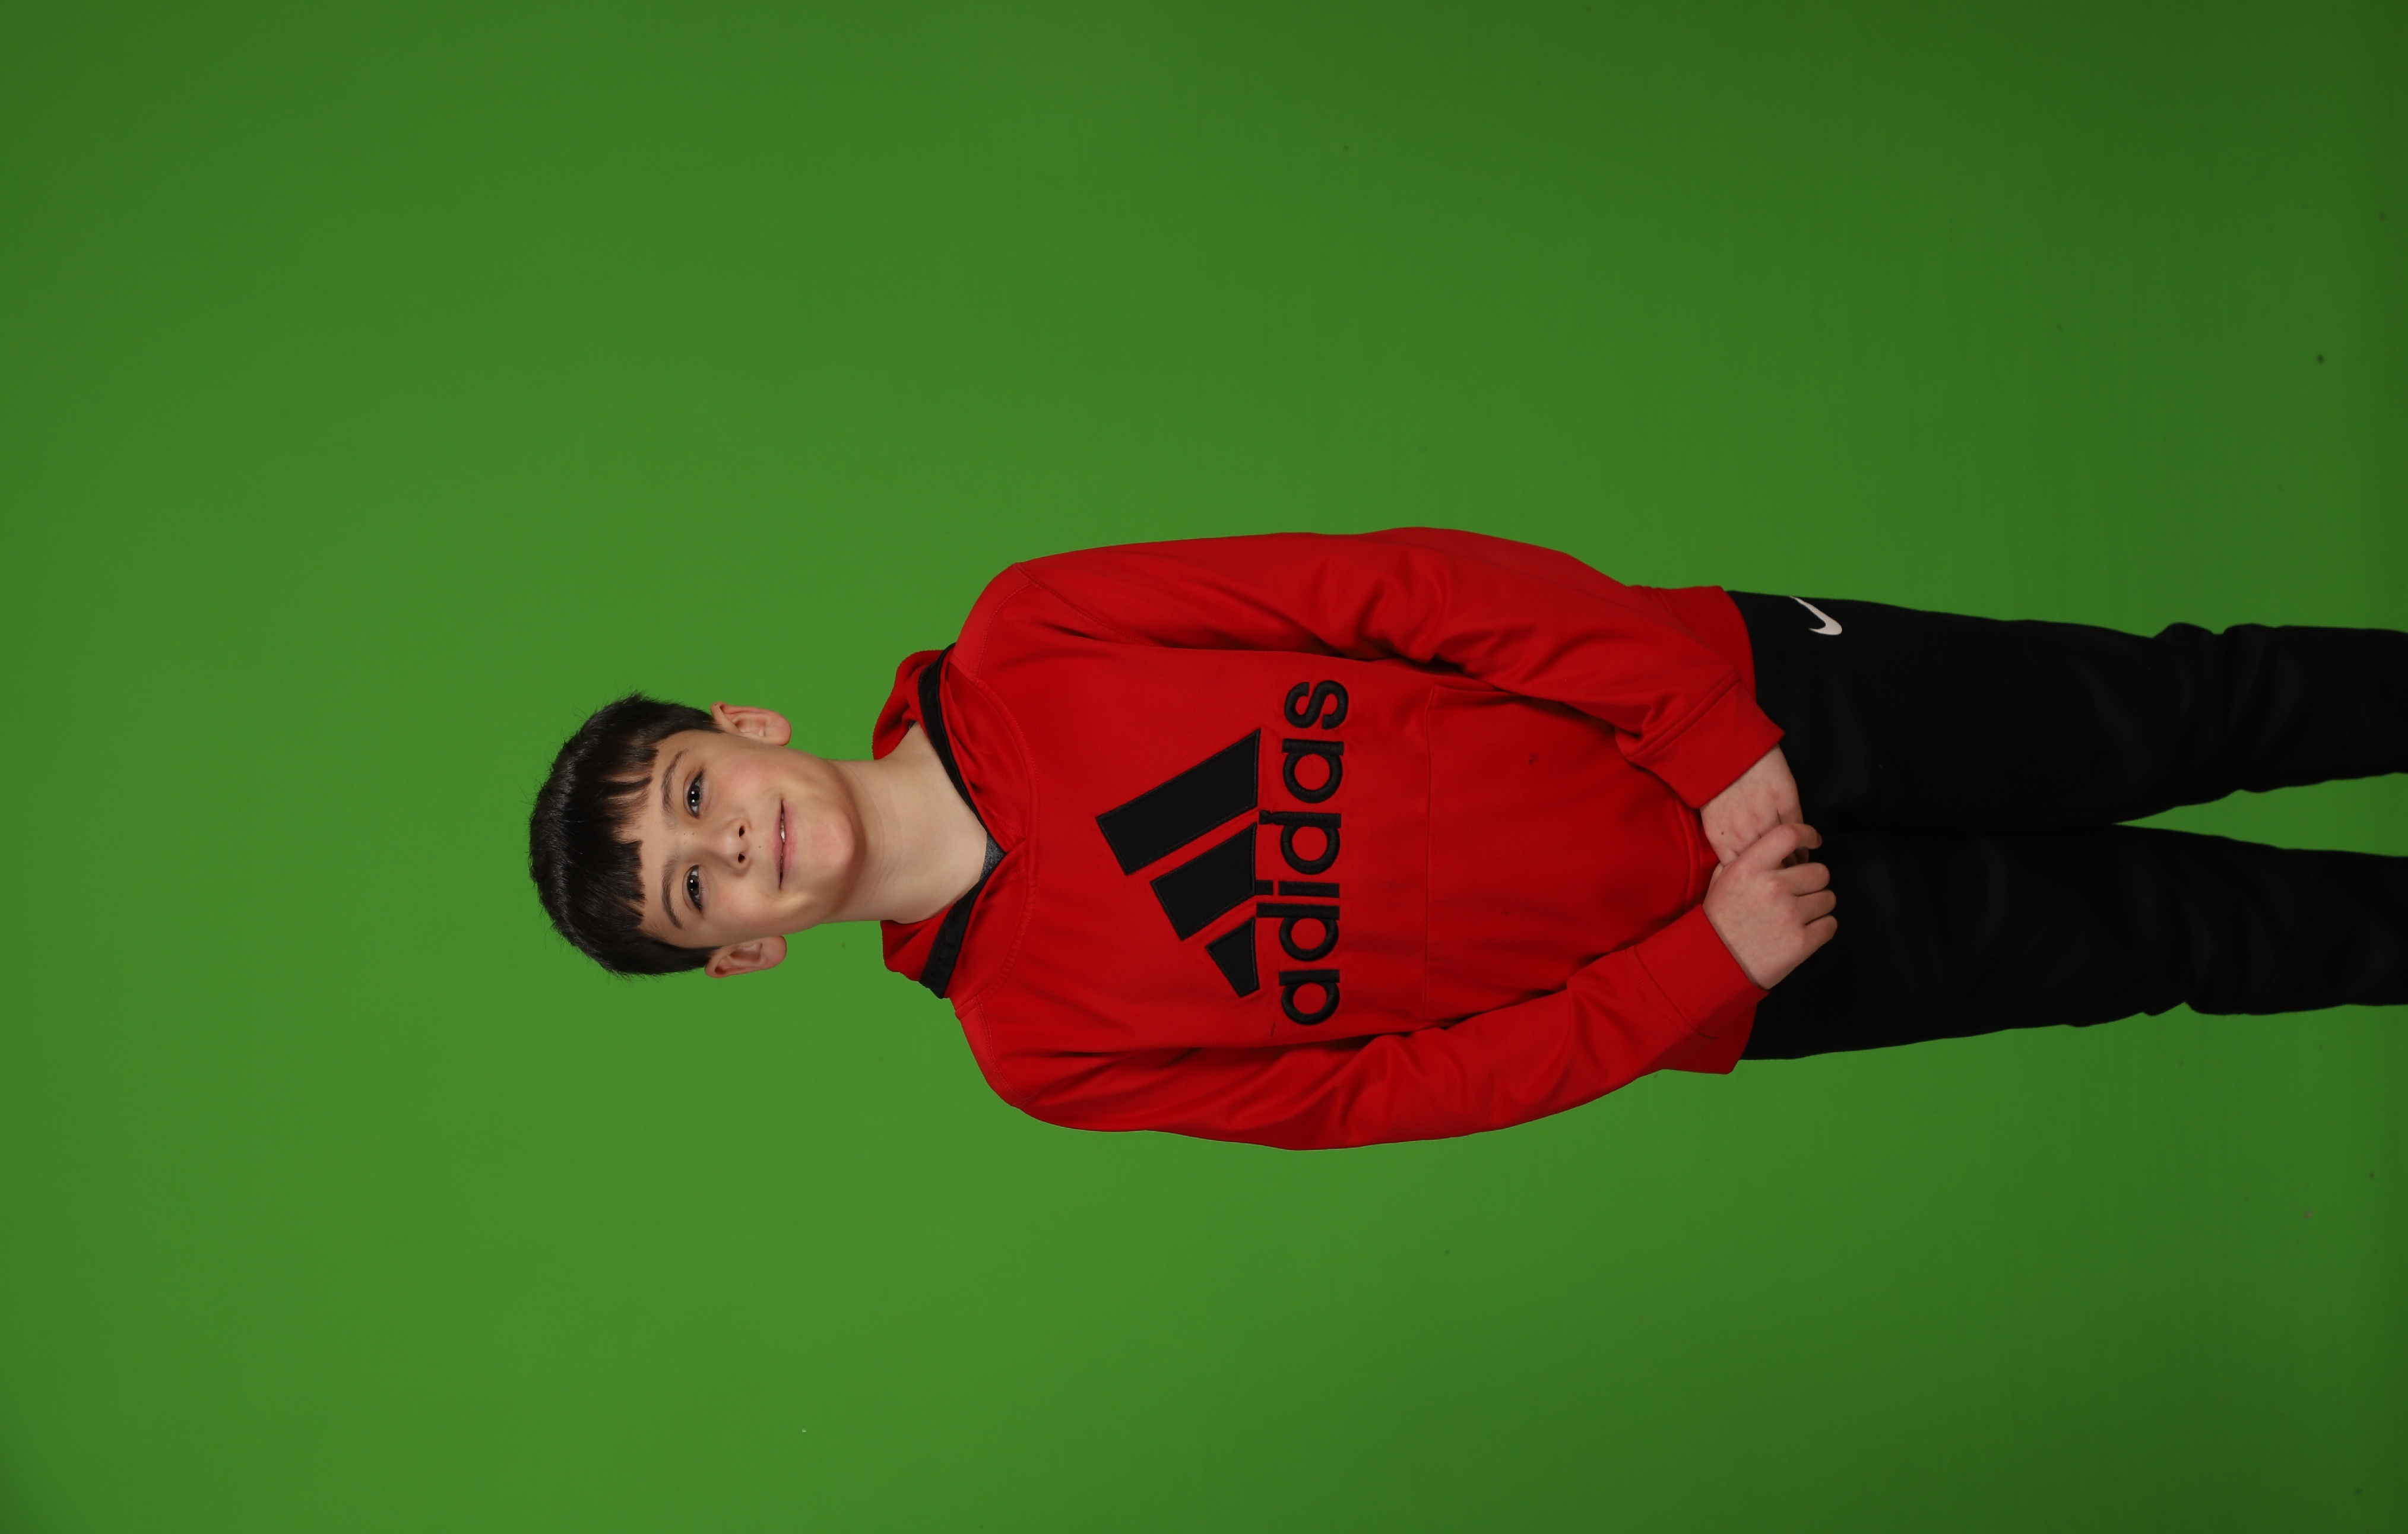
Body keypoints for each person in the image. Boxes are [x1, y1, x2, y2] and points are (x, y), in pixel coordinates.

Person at [527, 529, 2408, 1149]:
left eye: (693, 791)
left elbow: (1405, 591)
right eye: (699, 893)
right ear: (742, 952)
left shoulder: (1031, 636)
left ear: (740, 729)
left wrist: (1706, 729)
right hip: (1756, 964)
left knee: (2192, 709)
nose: (736, 844)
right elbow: (1396, 1091)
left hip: (1737, 698)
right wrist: (1708, 966)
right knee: (2184, 941)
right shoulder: (1038, 1047)